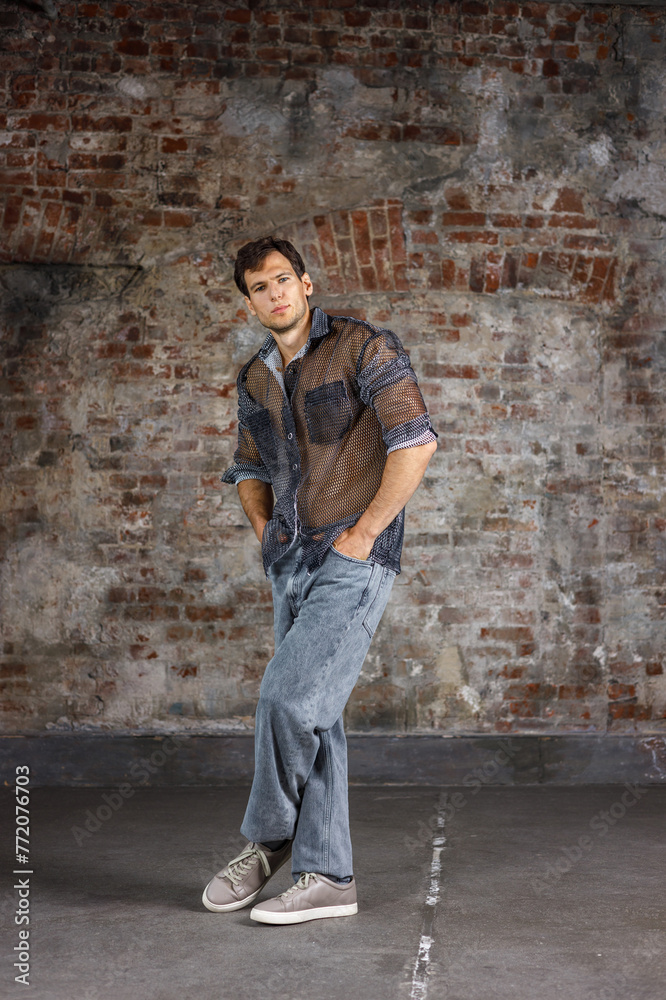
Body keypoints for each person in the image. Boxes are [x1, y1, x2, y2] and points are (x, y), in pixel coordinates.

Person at [202, 236, 437, 925]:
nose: (273, 293)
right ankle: (328, 877)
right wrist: (264, 534)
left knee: (284, 700)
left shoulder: (365, 348)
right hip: (291, 565)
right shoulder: (254, 376)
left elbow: (416, 441)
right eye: (258, 287)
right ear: (248, 301)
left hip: (352, 562)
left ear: (306, 283)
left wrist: (363, 537)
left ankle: (269, 839)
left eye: (282, 279)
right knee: (316, 714)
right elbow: (247, 466)